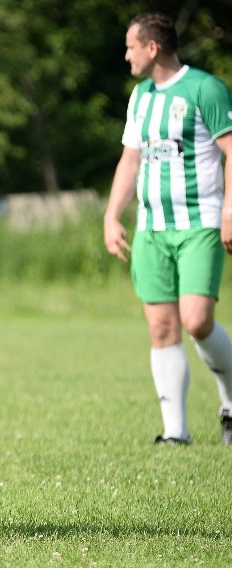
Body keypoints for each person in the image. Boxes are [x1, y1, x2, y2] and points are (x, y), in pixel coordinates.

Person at [103, 12, 232, 445]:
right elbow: (130, 160)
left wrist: (230, 211)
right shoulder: (139, 96)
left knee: (197, 321)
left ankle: (230, 399)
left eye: (130, 46)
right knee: (161, 327)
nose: (126, 55)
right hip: (152, 230)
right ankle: (176, 432)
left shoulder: (205, 88)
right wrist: (111, 215)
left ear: (152, 47)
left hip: (200, 224)